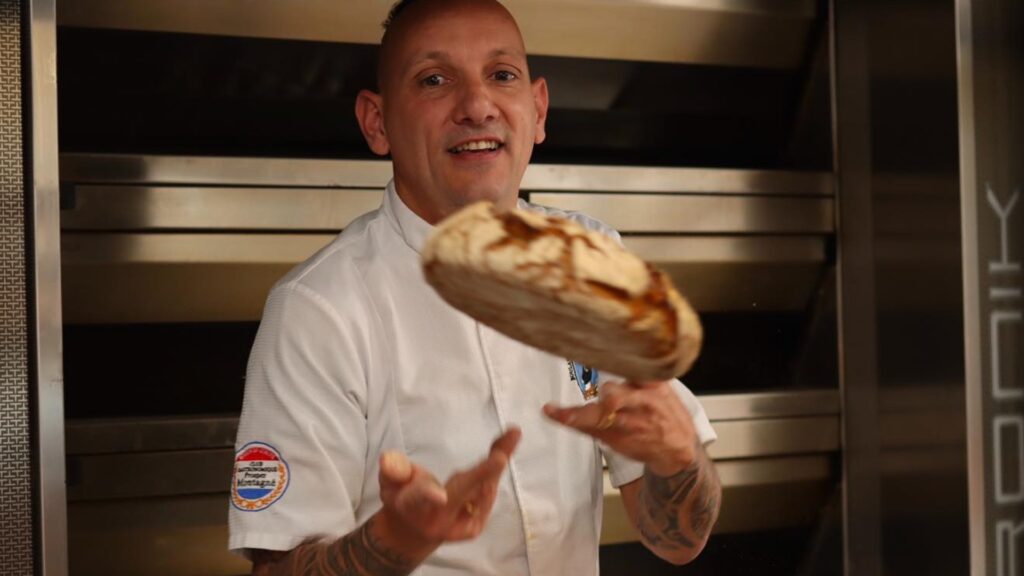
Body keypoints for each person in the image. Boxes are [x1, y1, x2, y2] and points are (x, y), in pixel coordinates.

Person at [228, 1, 721, 574]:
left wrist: (677, 457)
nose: (478, 105)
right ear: (377, 123)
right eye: (435, 80)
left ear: (537, 109)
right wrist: (395, 541)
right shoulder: (319, 309)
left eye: (501, 75)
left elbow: (679, 540)